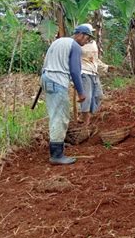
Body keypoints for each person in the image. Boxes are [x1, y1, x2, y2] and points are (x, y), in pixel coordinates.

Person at [40, 25, 93, 165]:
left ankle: (57, 145)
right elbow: (75, 71)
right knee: (60, 116)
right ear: (80, 35)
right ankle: (56, 155)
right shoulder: (75, 46)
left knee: (55, 115)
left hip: (47, 78)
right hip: (57, 80)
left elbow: (46, 63)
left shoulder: (58, 41)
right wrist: (81, 93)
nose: (86, 42)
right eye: (87, 39)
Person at [79, 23, 112, 126]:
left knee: (98, 96)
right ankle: (86, 123)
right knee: (87, 98)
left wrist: (105, 67)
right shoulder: (78, 44)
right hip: (84, 72)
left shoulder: (93, 44)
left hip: (94, 73)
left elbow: (96, 59)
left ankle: (91, 117)